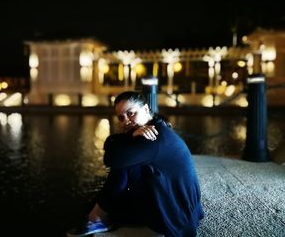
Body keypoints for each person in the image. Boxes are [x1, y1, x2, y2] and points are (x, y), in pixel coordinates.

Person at [67, 91, 204, 237]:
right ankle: (97, 215)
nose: (126, 120)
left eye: (131, 113)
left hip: (173, 219)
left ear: (145, 109)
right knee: (125, 161)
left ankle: (97, 218)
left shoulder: (151, 138)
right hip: (185, 212)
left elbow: (111, 159)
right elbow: (115, 147)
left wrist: (129, 138)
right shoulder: (157, 128)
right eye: (121, 117)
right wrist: (131, 135)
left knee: (122, 163)